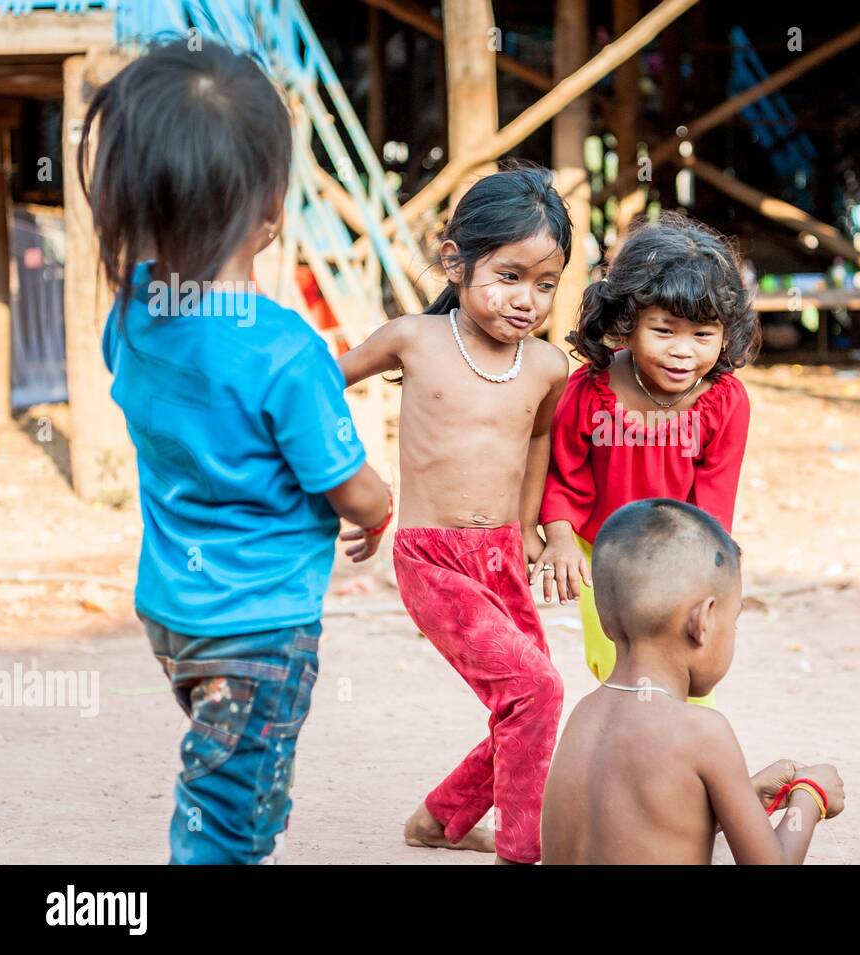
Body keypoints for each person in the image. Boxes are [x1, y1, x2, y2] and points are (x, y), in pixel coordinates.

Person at [82, 40, 391, 863]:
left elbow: (194, 402)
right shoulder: (287, 351)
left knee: (238, 776)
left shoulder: (132, 318)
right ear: (270, 202)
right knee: (222, 822)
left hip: (173, 614)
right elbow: (354, 492)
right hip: (257, 631)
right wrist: (380, 503)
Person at [541, 499, 860, 865]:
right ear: (703, 622)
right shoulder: (702, 732)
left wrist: (740, 796)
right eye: (734, 621)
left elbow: (641, 825)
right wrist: (810, 800)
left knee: (717, 850)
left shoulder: (584, 716)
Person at [339, 166, 572, 864]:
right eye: (508, 276)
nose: (526, 299)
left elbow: (537, 439)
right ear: (455, 261)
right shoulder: (413, 338)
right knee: (537, 690)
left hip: (501, 554)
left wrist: (530, 528)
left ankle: (440, 820)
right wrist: (366, 493)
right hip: (431, 558)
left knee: (530, 703)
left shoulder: (546, 367)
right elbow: (312, 389)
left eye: (546, 283)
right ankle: (523, 848)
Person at [536, 214, 760, 706]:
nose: (683, 352)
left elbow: (714, 502)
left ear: (727, 333)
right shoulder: (588, 392)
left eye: (703, 335)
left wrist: (718, 576)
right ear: (627, 322)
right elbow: (564, 478)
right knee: (619, 665)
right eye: (664, 330)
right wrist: (559, 541)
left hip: (685, 557)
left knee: (687, 668)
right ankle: (628, 759)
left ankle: (683, 762)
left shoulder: (725, 402)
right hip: (604, 555)